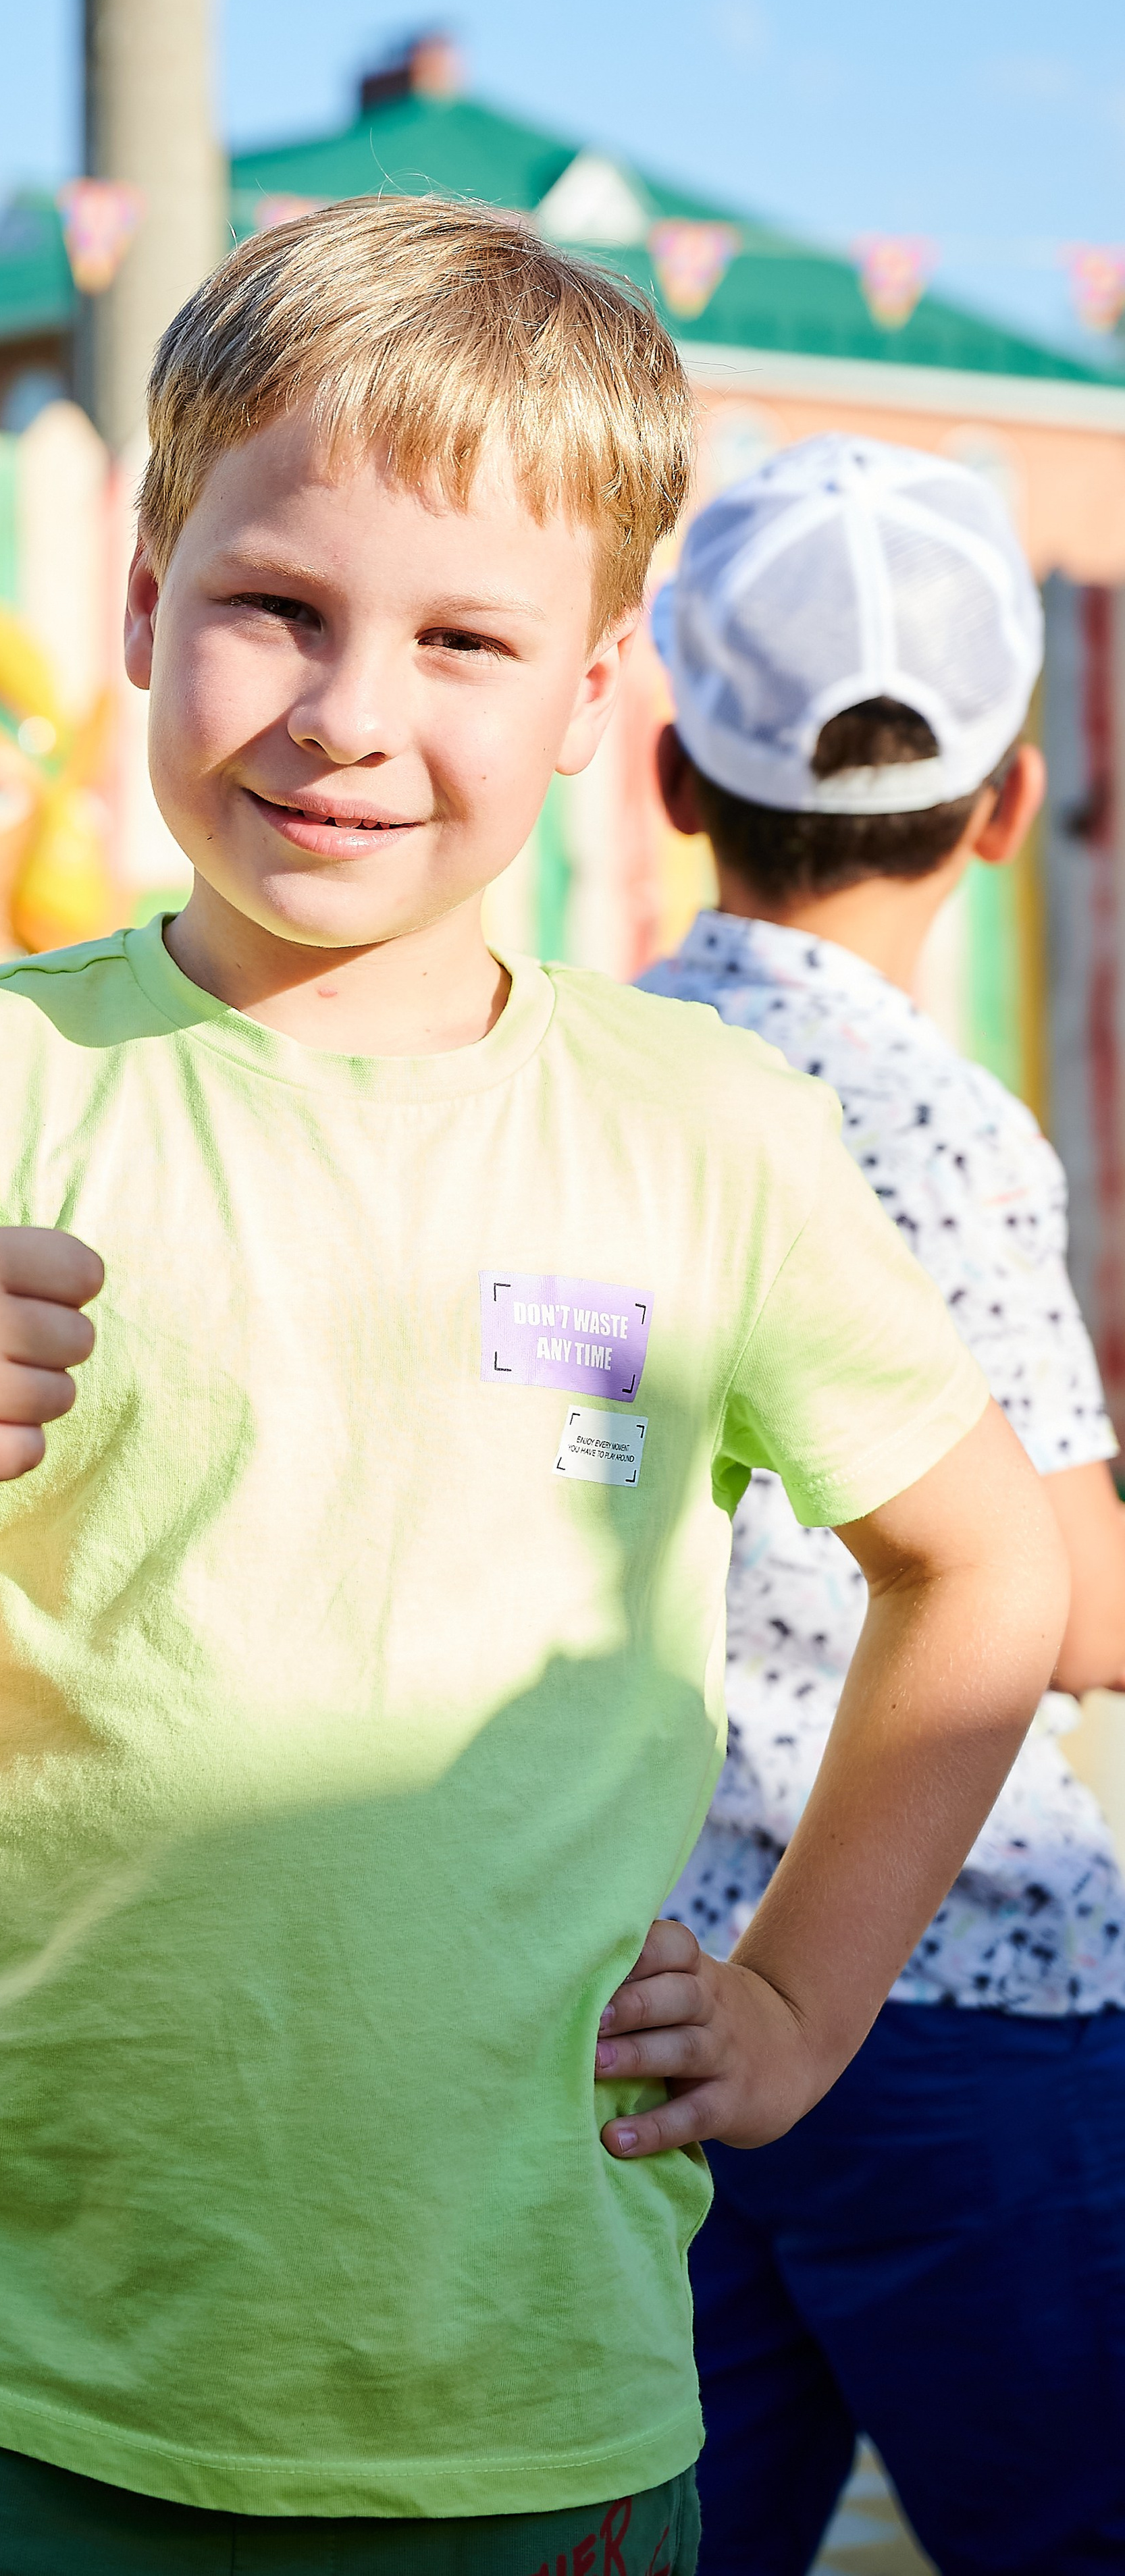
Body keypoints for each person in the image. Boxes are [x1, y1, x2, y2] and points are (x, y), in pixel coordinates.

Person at [0, 207, 1065, 2576]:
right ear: (141, 600)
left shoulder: (707, 1133)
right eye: (276, 607)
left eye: (462, 641)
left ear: (593, 685)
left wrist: (806, 2005)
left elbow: (987, 1562)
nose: (348, 712)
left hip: (523, 2405)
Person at [642, 431, 1125, 2576]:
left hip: (663, 1984)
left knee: (676, 2519)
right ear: (1011, 807)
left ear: (669, 773)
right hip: (963, 1988)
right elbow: (1071, 1602)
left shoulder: (604, 1068)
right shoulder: (935, 1122)